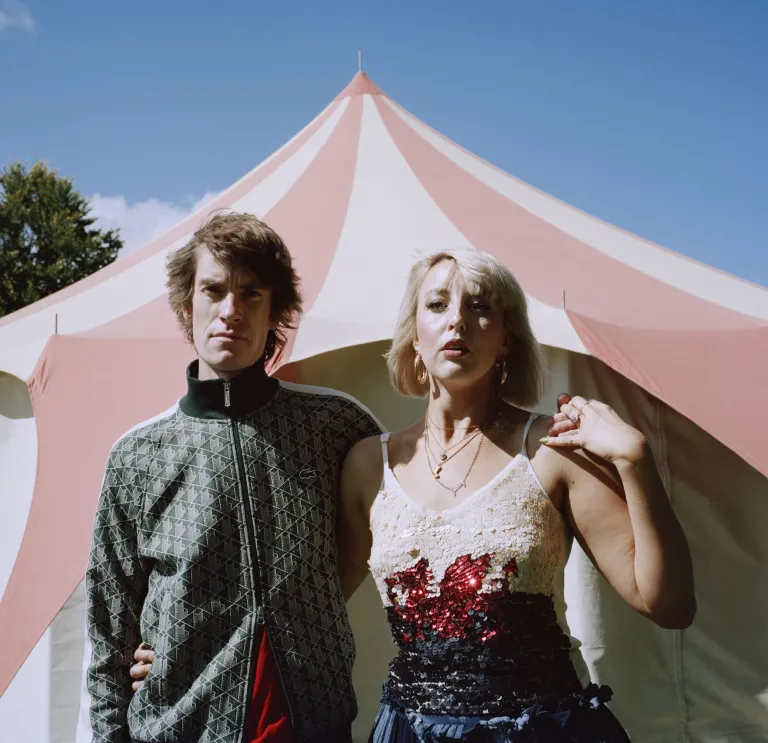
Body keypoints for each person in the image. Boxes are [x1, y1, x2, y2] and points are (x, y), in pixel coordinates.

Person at [334, 248, 696, 741]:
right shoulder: (367, 465)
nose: (457, 320)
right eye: (437, 305)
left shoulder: (554, 449)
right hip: (408, 731)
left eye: (480, 306)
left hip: (540, 729)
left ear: (506, 339)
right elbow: (314, 601)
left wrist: (635, 461)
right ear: (413, 335)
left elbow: (670, 605)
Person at [76, 213, 384, 743]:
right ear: (186, 304)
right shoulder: (137, 454)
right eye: (213, 291)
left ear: (276, 313)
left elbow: (407, 524)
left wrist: (309, 604)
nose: (230, 312)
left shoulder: (339, 424)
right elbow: (108, 627)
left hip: (314, 719)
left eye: (251, 294)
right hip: (179, 725)